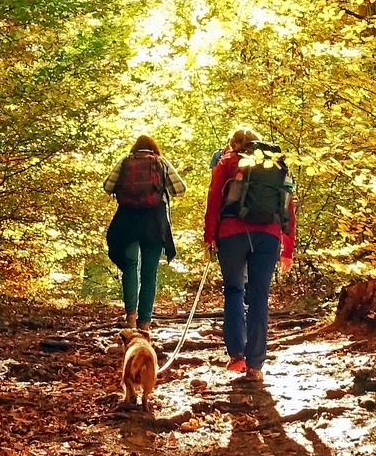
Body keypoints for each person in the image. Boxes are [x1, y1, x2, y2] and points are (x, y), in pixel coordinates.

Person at [204, 126, 295, 380]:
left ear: (232, 144)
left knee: (234, 290)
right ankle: (255, 365)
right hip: (268, 235)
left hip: (231, 234)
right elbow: (288, 205)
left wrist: (209, 236)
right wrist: (287, 247)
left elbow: (213, 199)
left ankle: (237, 357)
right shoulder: (275, 165)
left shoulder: (227, 162)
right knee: (259, 296)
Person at [104, 135, 186, 330]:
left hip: (128, 220)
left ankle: (130, 315)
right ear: (154, 148)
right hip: (154, 221)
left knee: (131, 265)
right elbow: (180, 189)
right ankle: (145, 323)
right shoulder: (161, 162)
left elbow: (107, 186)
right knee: (150, 272)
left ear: (135, 148)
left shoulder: (125, 161)